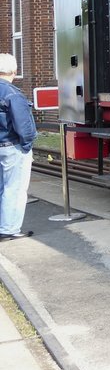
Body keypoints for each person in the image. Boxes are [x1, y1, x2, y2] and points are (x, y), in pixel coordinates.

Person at [0, 53, 36, 240]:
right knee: (14, 188)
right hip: (11, 146)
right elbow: (24, 126)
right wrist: (27, 145)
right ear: (14, 70)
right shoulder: (13, 94)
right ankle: (9, 229)